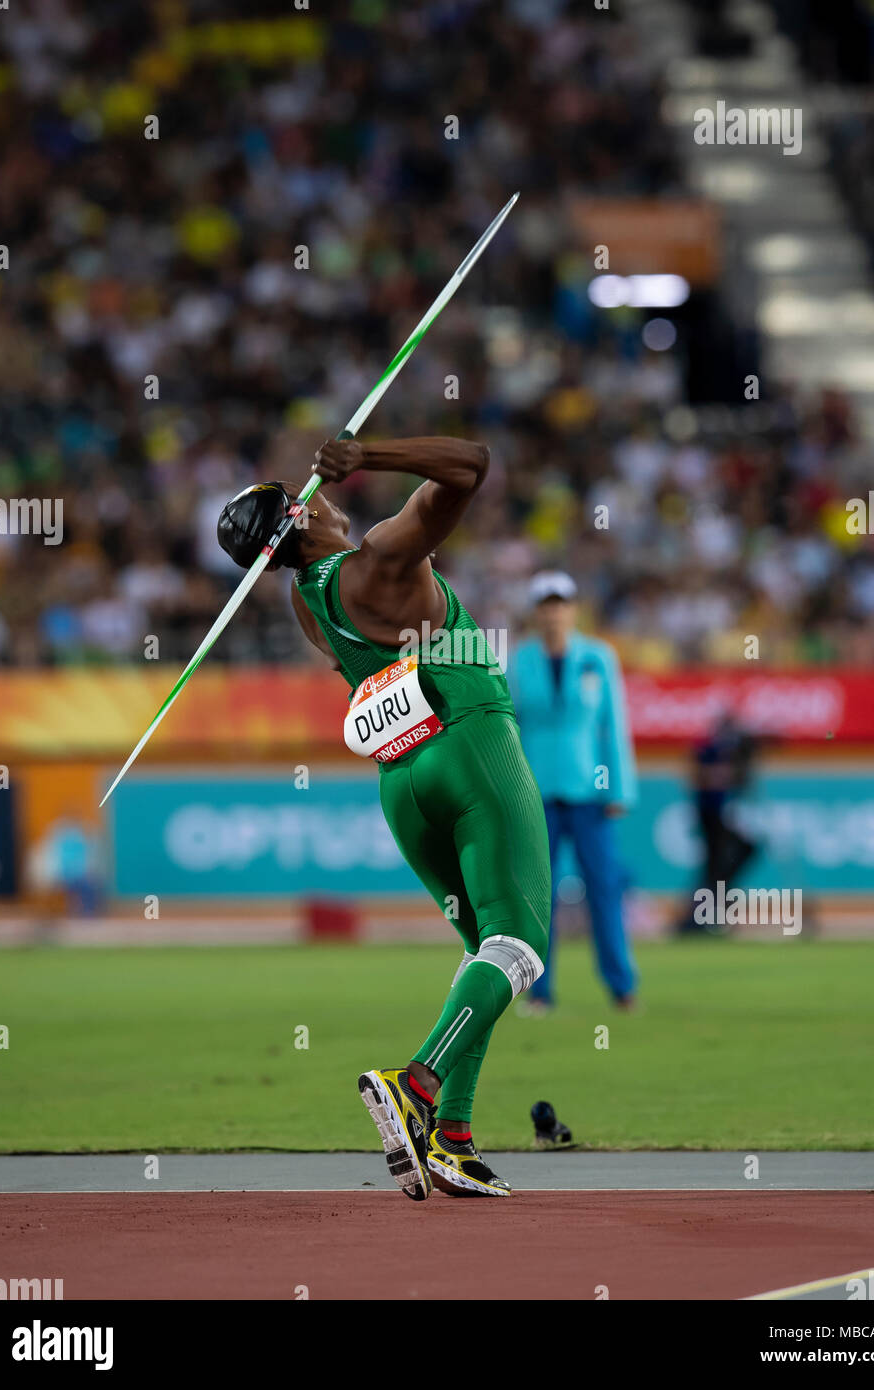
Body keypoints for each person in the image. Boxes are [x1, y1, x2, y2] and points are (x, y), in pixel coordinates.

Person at [217, 437, 551, 1200]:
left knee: (483, 953)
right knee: (523, 943)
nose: (330, 497)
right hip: (469, 745)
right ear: (301, 519)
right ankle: (417, 1085)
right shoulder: (376, 560)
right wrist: (371, 451)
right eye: (314, 497)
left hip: (403, 782)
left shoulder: (308, 603)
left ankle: (453, 1139)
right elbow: (471, 464)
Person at [509, 572, 639, 1009]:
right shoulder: (519, 662)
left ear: (573, 609)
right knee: (536, 897)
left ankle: (621, 987)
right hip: (535, 794)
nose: (554, 612)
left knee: (604, 888)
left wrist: (618, 787)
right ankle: (539, 992)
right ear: (535, 611)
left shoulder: (597, 657)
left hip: (589, 792)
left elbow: (613, 726)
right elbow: (510, 729)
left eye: (560, 603)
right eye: (546, 604)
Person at [677, 711, 758, 935]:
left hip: (724, 815)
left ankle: (709, 909)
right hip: (710, 815)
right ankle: (700, 916)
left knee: (728, 861)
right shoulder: (708, 749)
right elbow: (699, 776)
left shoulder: (731, 752)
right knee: (714, 867)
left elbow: (739, 779)